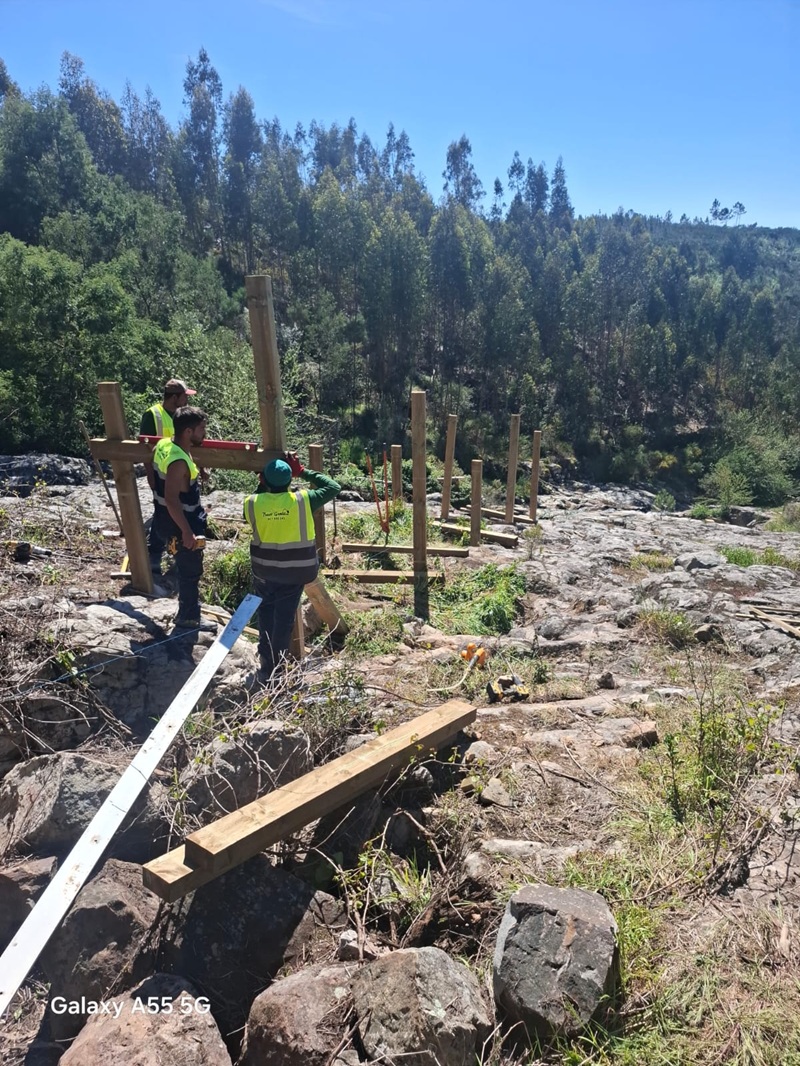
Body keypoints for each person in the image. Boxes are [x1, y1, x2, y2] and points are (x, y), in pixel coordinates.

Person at [244, 450, 341, 680]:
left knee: (266, 613)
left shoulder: (252, 503)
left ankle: (266, 662)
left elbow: (256, 502)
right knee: (284, 619)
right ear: (290, 480)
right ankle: (277, 669)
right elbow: (333, 487)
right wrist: (302, 471)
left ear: (263, 480)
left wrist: (262, 483)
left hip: (265, 571)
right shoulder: (303, 500)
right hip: (296, 572)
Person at [151, 406, 216, 632]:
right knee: (190, 571)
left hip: (165, 519)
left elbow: (154, 466)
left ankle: (188, 612)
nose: (204, 433)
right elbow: (172, 499)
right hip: (181, 523)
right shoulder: (178, 462)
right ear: (188, 432)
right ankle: (188, 619)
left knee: (184, 565)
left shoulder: (165, 445)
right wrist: (187, 531)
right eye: (201, 429)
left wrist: (196, 471)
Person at [140, 379, 197, 578]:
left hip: (179, 475)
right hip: (162, 475)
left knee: (177, 518)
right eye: (184, 396)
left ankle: (174, 555)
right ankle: (154, 556)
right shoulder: (153, 415)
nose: (187, 400)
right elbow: (145, 448)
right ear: (174, 397)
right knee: (162, 516)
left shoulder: (183, 416)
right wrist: (151, 476)